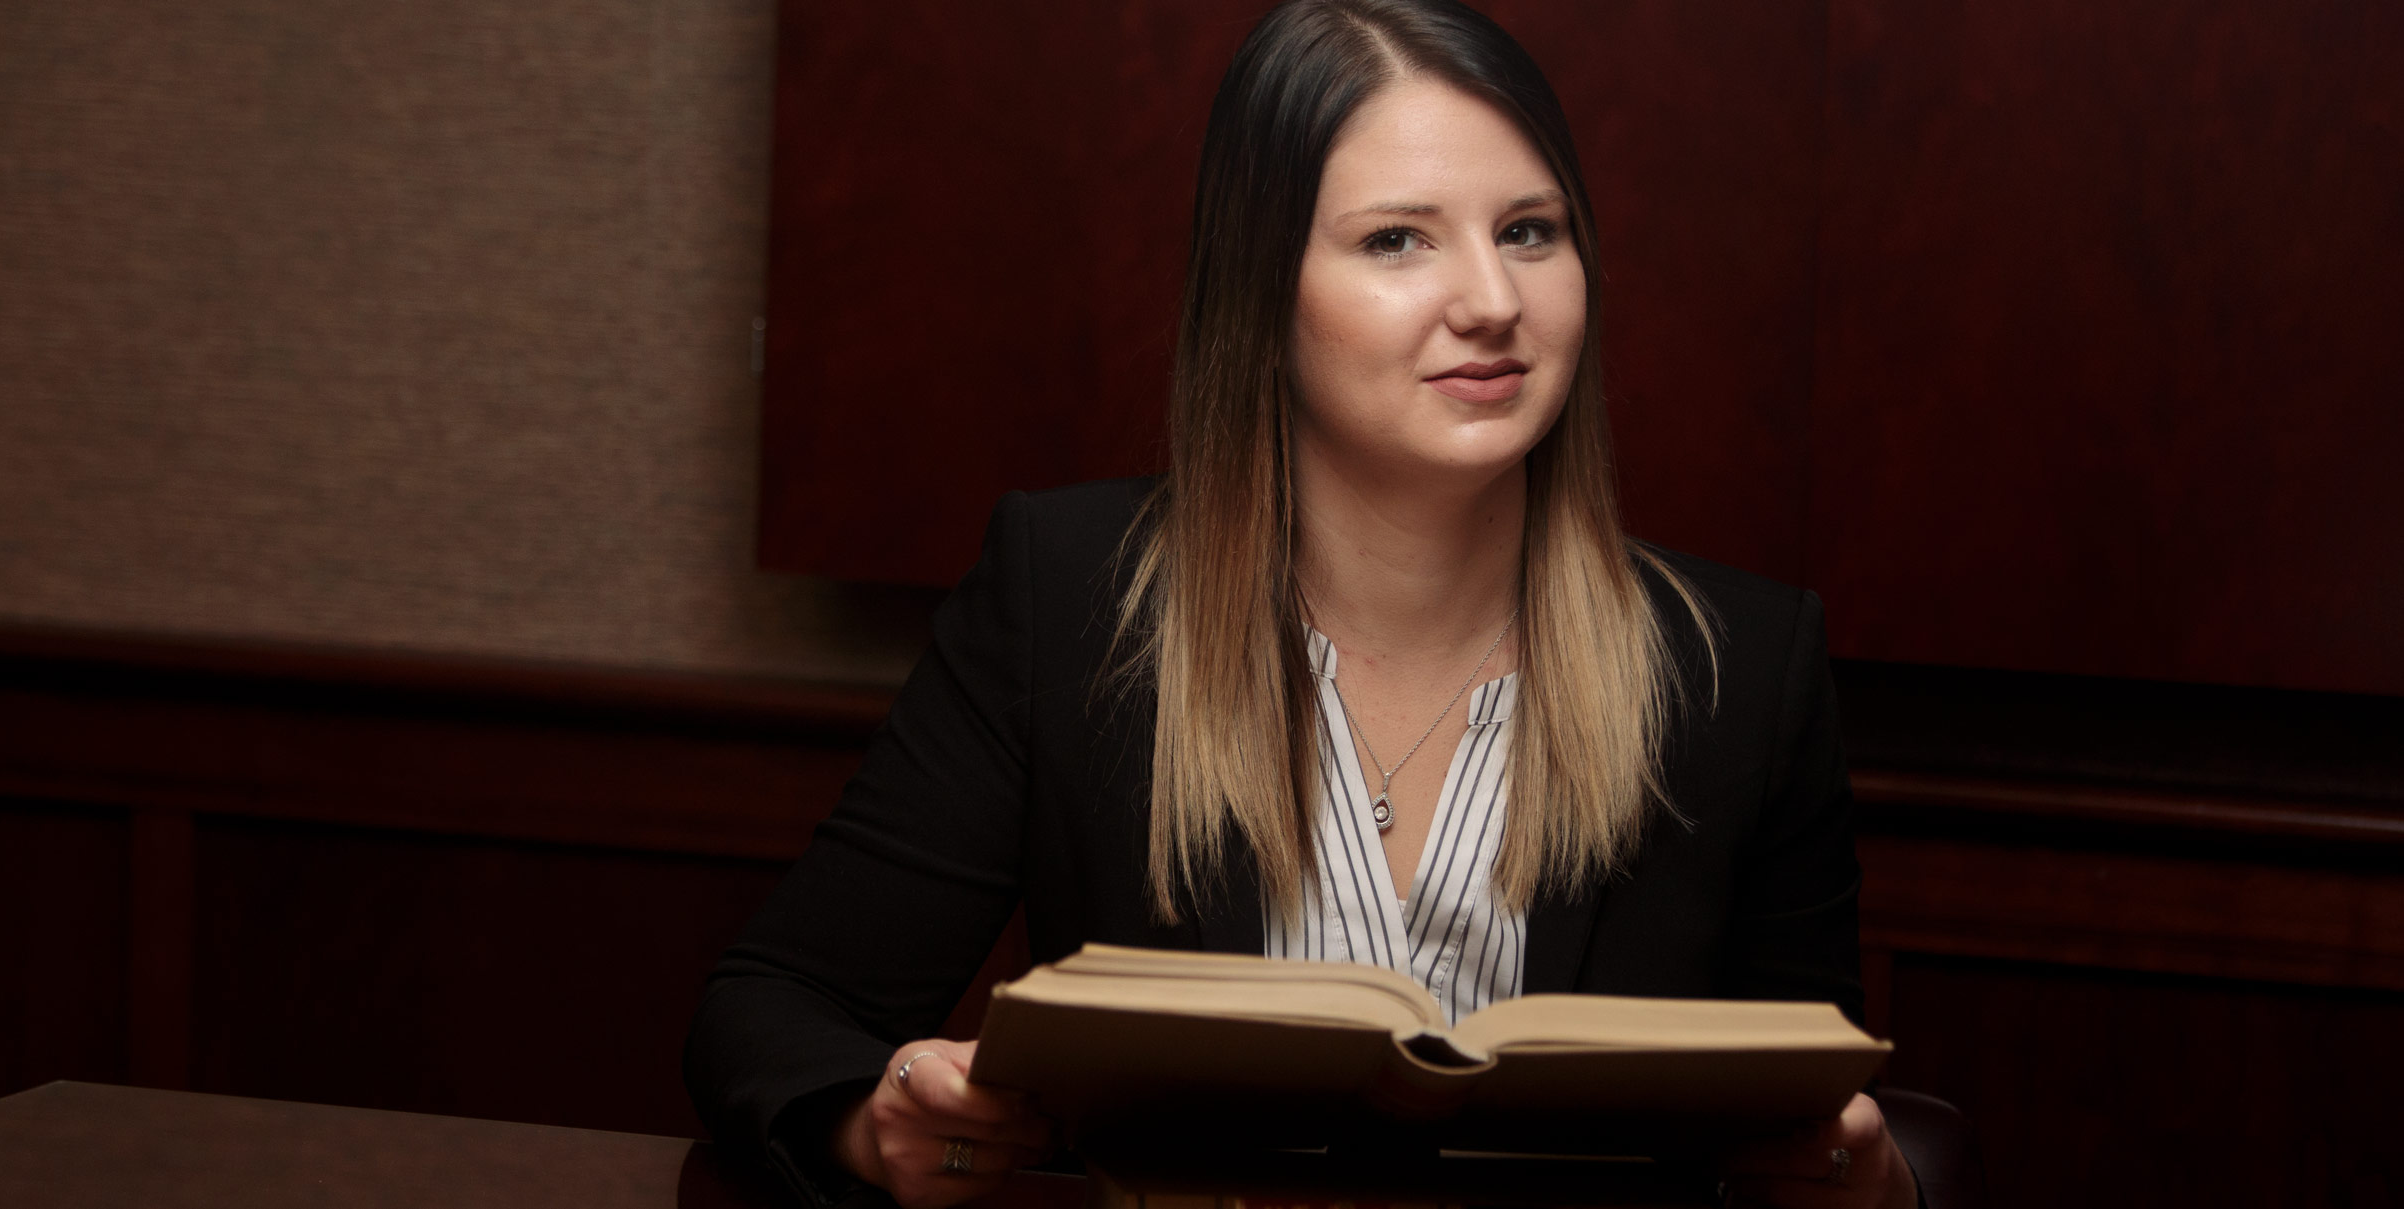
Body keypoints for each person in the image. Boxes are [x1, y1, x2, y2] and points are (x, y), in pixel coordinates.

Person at [681, 3, 1918, 1207]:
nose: (1491, 299)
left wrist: (1856, 1175)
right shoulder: (1069, 598)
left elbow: (1819, 1121)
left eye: (1531, 230)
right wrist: (874, 1114)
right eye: (1396, 240)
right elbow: (773, 1006)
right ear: (1261, 289)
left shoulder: (1737, 671)